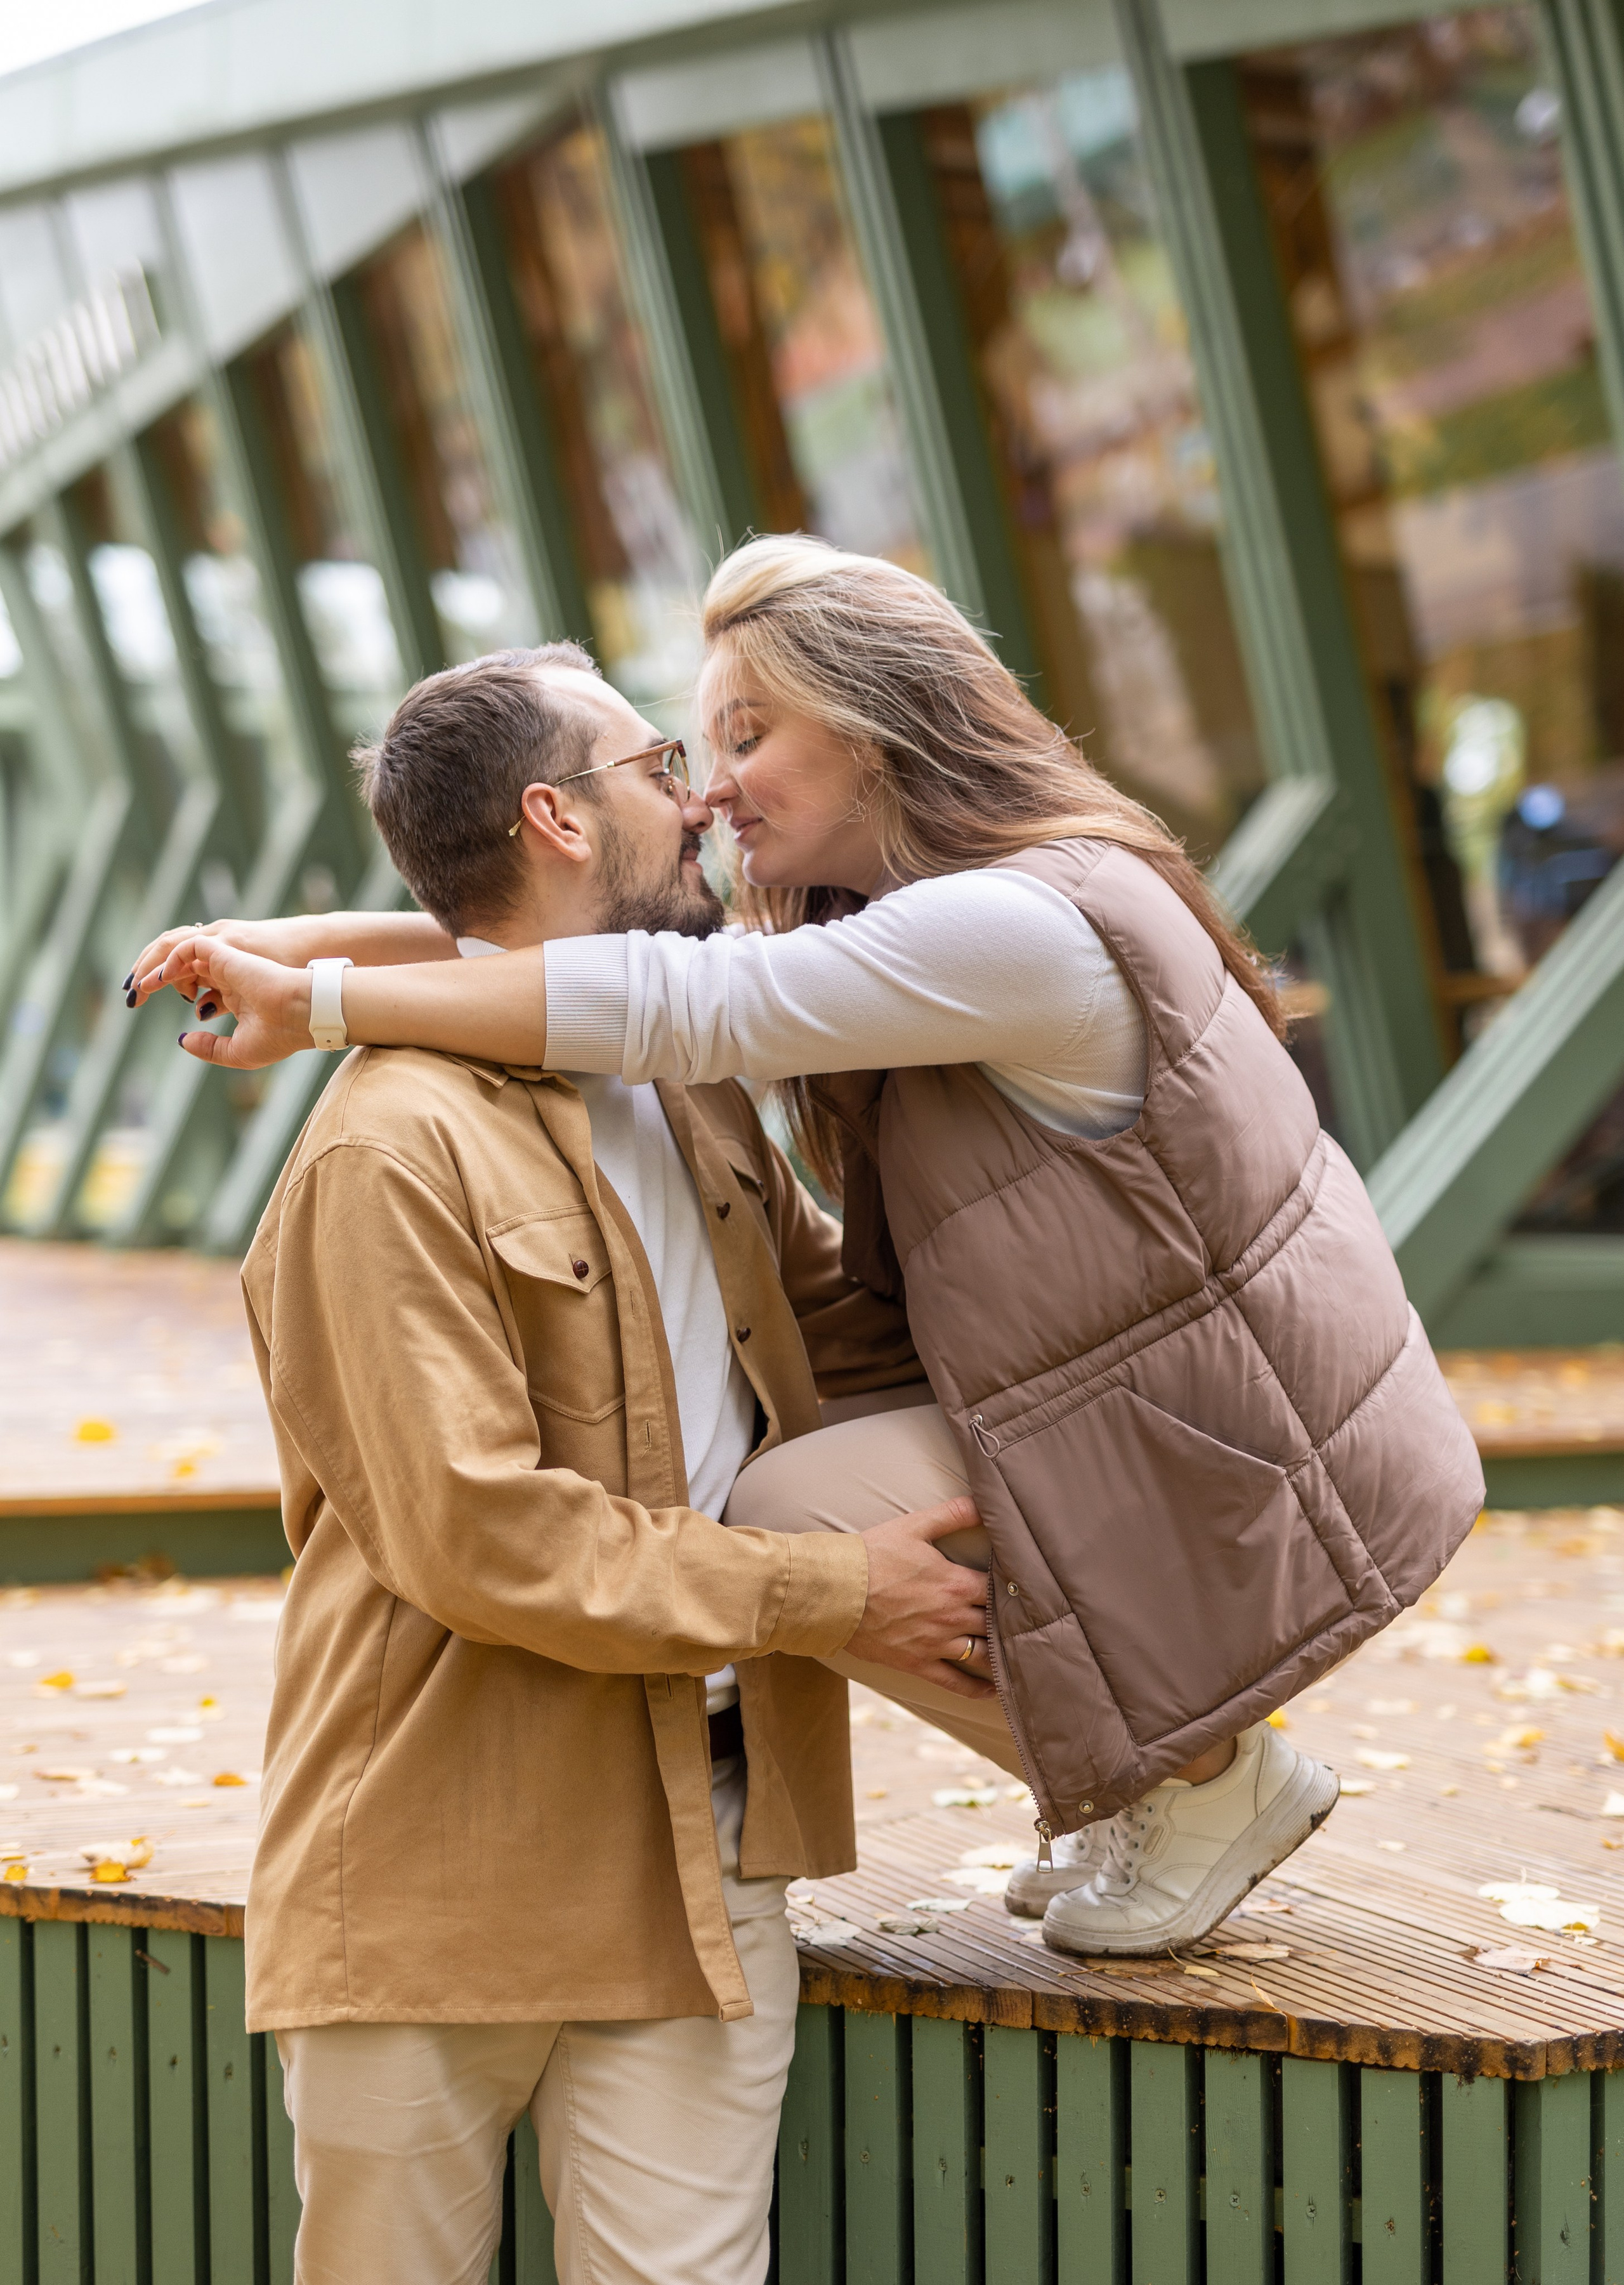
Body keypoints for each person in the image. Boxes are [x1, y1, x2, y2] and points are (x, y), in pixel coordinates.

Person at [133, 537, 1486, 1958]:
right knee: (791, 1400)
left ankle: (1204, 1779)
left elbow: (677, 1003)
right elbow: (591, 964)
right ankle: (1131, 1777)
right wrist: (283, 940)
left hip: (1230, 1440)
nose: (710, 790)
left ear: (871, 728)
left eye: (743, 737)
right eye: (692, 750)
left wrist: (328, 1000)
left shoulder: (1011, 925)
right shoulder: (957, 899)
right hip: (1196, 1400)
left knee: (783, 1510)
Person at [215, 641, 992, 2285]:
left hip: (706, 1853)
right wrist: (836, 1589)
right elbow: (481, 1535)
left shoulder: (691, 1098)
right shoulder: (385, 1150)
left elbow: (849, 1349)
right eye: (659, 766)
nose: (699, 798)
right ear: (557, 818)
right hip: (440, 1869)